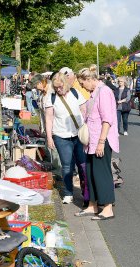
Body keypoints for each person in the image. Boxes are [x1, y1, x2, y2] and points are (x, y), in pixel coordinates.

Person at [75, 65, 119, 220]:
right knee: (91, 172)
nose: (82, 87)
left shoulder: (104, 92)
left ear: (89, 79)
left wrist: (101, 142)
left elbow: (107, 119)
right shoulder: (94, 93)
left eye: (82, 84)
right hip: (91, 141)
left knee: (102, 174)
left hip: (101, 140)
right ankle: (92, 206)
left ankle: (107, 208)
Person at [45, 72, 88, 205]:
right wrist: (49, 137)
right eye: (56, 87)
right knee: (67, 165)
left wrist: (86, 127)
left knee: (83, 165)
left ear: (66, 84)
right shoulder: (51, 97)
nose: (59, 89)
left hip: (78, 134)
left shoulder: (75, 93)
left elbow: (84, 109)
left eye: (60, 87)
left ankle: (86, 192)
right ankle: (68, 193)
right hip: (61, 135)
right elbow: (49, 118)